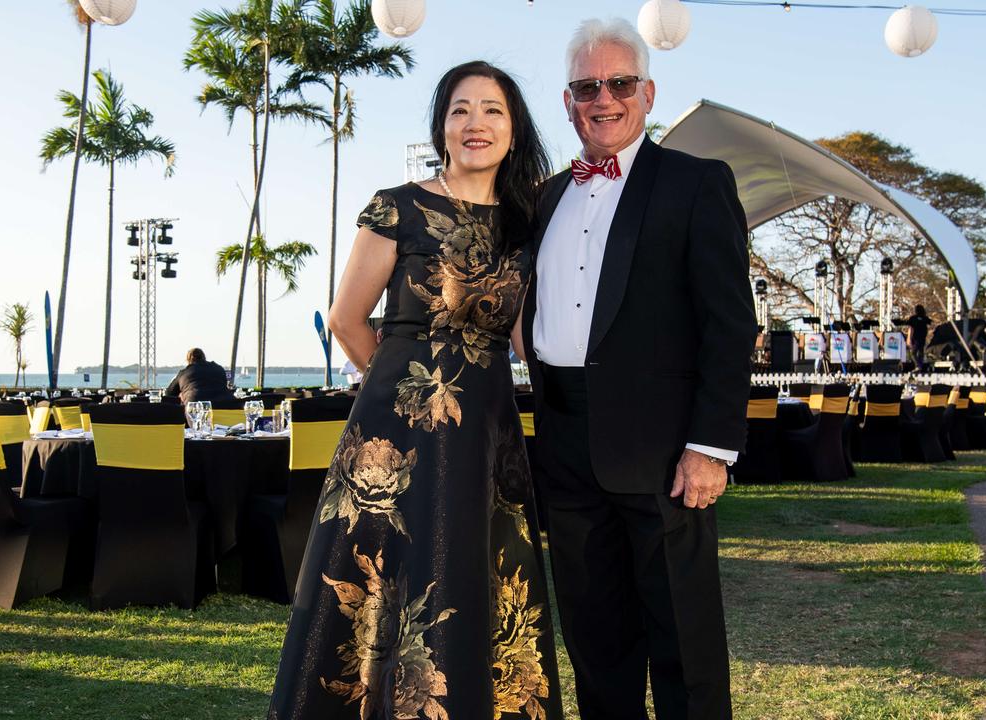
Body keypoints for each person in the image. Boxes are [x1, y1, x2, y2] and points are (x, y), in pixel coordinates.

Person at [267, 61, 563, 719]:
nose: (475, 123)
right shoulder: (396, 206)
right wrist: (408, 395)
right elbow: (346, 319)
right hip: (395, 436)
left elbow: (522, 338)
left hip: (487, 435)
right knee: (383, 583)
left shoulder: (527, 223)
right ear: (442, 127)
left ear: (514, 129)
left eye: (491, 110)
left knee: (477, 580)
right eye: (460, 109)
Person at [518, 19, 755, 719]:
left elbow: (728, 324)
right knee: (596, 646)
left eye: (620, 82)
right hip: (563, 448)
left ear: (648, 93)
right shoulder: (545, 198)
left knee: (685, 644)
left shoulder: (697, 183)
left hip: (664, 454)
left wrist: (711, 447)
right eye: (587, 86)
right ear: (567, 102)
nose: (604, 98)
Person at [162, 348, 233, 403]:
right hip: (225, 405)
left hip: (195, 407)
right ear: (204, 357)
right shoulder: (219, 369)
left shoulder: (184, 373)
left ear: (188, 360)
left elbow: (169, 393)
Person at [906, 304, 933, 370]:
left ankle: (918, 365)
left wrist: (909, 338)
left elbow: (911, 328)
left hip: (915, 338)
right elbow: (930, 324)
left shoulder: (913, 318)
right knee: (920, 352)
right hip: (922, 338)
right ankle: (920, 365)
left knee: (913, 353)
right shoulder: (924, 318)